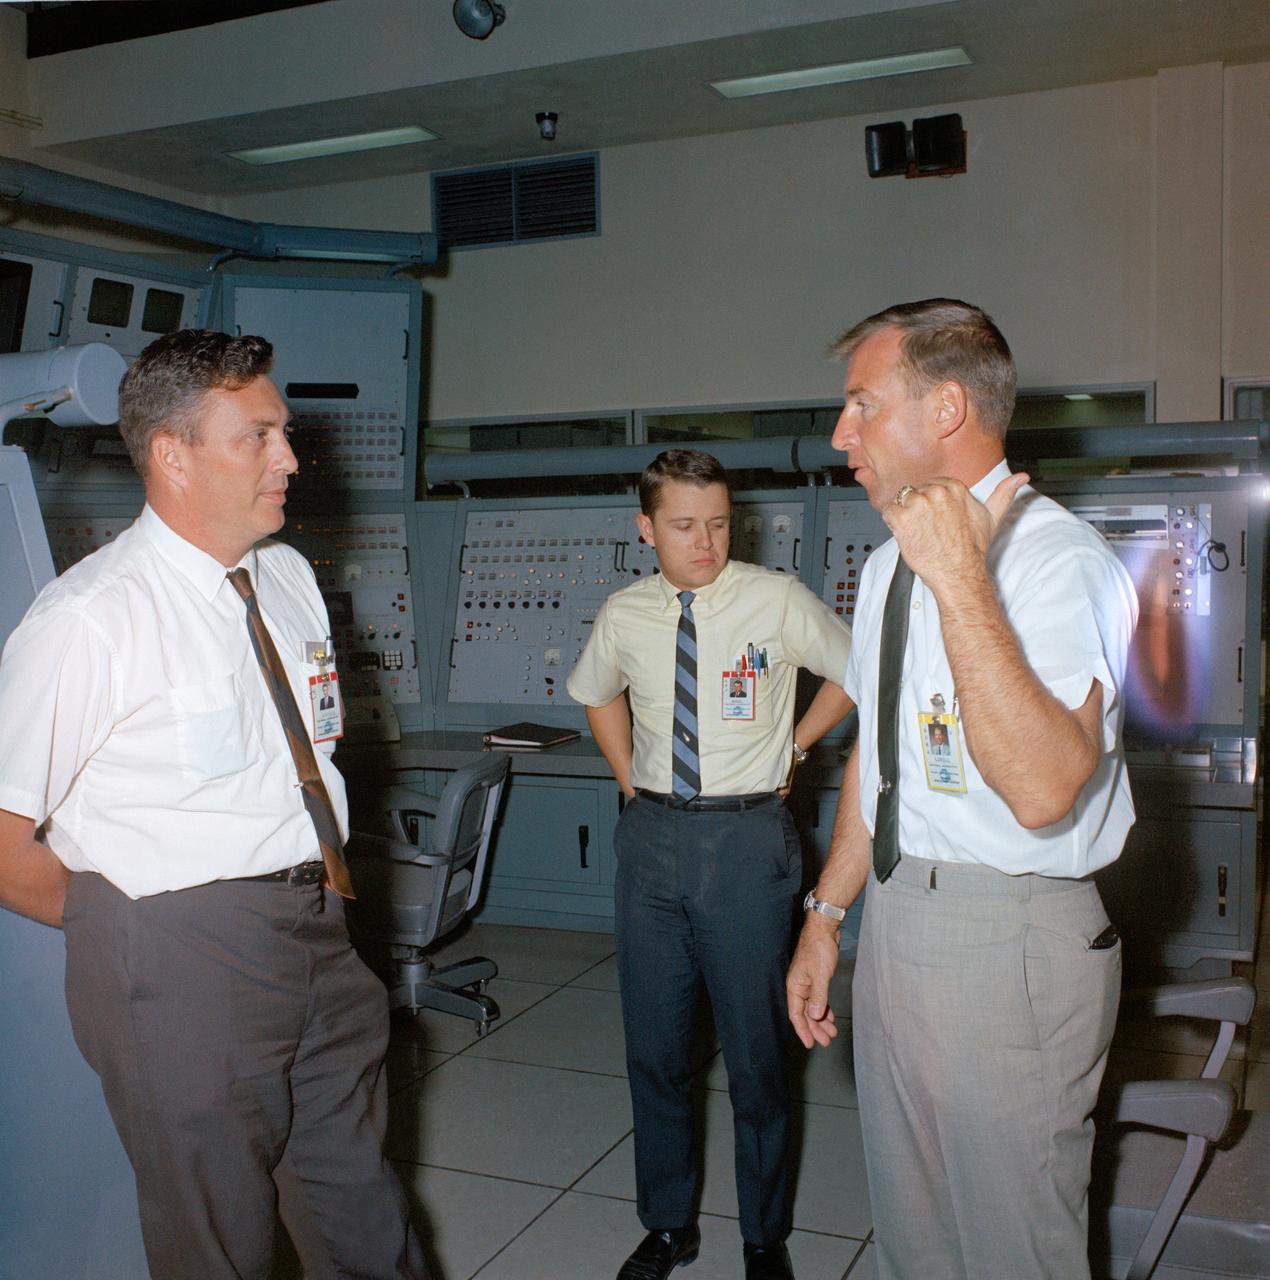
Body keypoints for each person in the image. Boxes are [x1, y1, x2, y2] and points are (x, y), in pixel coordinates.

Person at [0, 330, 428, 1280]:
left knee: (364, 1219)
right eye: (258, 437)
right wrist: (131, 927)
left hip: (319, 925)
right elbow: (2, 839)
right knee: (218, 1242)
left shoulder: (289, 578)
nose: (290, 458)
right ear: (174, 456)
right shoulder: (91, 618)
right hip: (178, 953)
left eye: (285, 432)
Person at [786, 299, 1138, 1280]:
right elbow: (882, 761)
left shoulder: (1057, 561)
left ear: (946, 408)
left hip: (1009, 935)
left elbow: (1044, 788)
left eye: (862, 405)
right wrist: (828, 913)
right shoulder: (887, 565)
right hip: (899, 918)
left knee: (1012, 1249)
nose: (840, 434)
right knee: (916, 1241)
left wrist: (961, 579)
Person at [568, 449, 854, 1280]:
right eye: (685, 526)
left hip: (747, 843)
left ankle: (764, 1237)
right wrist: (632, 783)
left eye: (720, 524)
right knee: (656, 1051)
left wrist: (796, 744)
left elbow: (856, 671)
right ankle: (669, 1225)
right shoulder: (625, 613)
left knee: (758, 1056)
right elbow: (596, 692)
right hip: (652, 842)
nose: (705, 542)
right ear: (646, 528)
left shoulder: (774, 599)